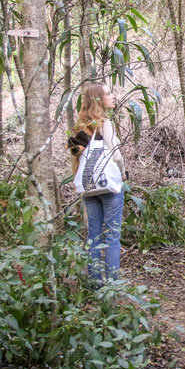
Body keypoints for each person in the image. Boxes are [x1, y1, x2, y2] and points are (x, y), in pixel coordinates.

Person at [69, 83, 126, 283]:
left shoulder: (81, 128)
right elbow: (115, 155)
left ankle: (95, 283)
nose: (113, 96)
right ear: (98, 100)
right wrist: (123, 172)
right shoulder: (105, 125)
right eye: (108, 93)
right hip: (108, 185)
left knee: (94, 235)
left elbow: (77, 156)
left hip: (90, 187)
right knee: (112, 235)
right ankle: (112, 285)